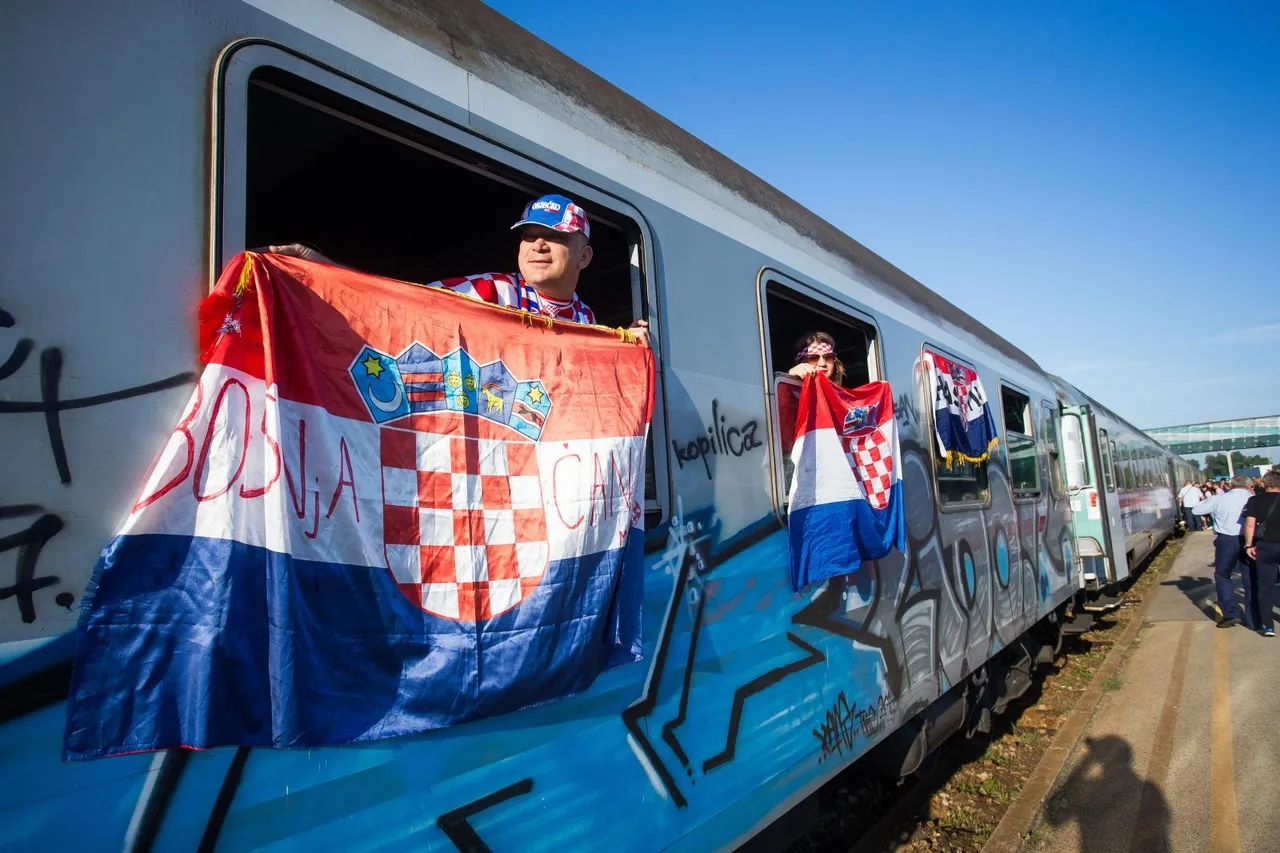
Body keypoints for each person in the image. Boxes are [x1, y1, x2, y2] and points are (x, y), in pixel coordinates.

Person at [263, 193, 650, 346]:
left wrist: (629, 346)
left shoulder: (587, 319)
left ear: (584, 257)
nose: (538, 245)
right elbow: (401, 303)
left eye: (554, 237)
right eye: (529, 236)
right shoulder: (491, 291)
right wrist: (320, 269)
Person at [1194, 475, 1258, 629]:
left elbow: (1196, 509)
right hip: (1251, 539)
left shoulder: (1219, 499)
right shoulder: (1254, 498)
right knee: (1250, 576)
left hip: (1226, 540)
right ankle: (1253, 618)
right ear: (1249, 486)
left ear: (1231, 485)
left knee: (1223, 575)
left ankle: (1230, 614)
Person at [1242, 471, 1280, 637]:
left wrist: (1248, 545)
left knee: (1265, 586)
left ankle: (1268, 626)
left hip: (1265, 546)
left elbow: (1250, 524)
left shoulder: (1254, 500)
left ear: (1264, 484)